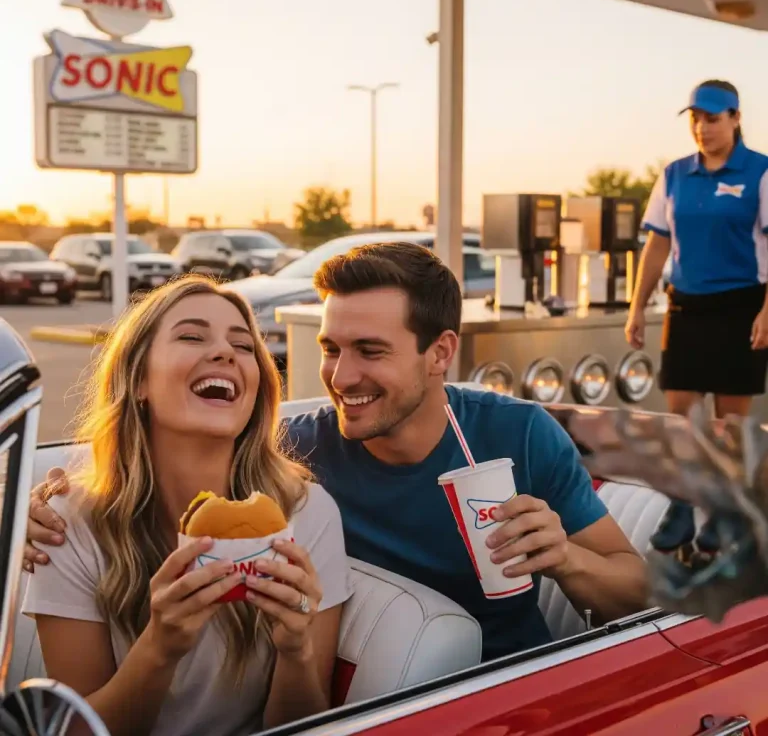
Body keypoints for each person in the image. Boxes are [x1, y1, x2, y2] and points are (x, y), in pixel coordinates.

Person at [27, 244, 647, 663]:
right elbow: (170, 461)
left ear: (439, 353)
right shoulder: (295, 454)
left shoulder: (520, 435)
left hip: (516, 689)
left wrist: (565, 558)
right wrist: (41, 504)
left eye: (370, 351)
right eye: (330, 347)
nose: (341, 376)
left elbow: (634, 589)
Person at [21, 277, 351, 736]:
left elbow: (305, 727)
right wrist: (160, 647)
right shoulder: (66, 522)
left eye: (243, 345)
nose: (226, 353)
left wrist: (297, 650)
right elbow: (72, 731)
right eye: (192, 336)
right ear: (138, 380)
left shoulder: (307, 513)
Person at [625, 80, 768, 554]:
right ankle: (684, 505)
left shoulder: (760, 172)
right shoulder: (675, 174)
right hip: (685, 306)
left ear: (735, 118)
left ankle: (726, 513)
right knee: (682, 417)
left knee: (730, 425)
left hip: (740, 307)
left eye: (712, 118)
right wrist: (637, 306)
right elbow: (658, 244)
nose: (703, 128)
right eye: (696, 119)